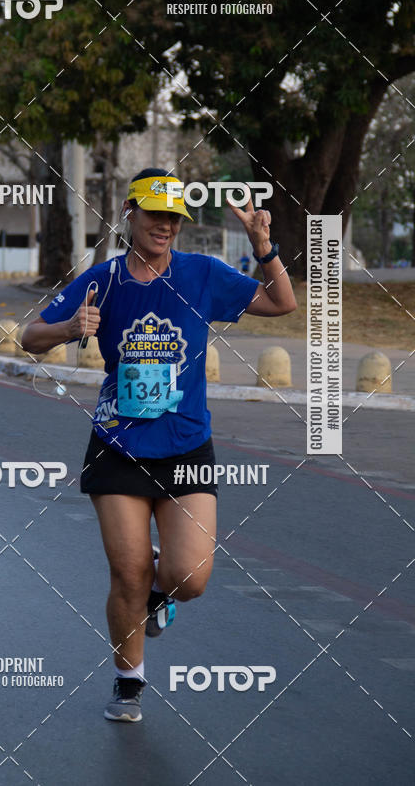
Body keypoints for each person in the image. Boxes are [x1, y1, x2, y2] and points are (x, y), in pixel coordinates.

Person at [21, 168, 296, 722]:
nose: (165, 226)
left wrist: (263, 246)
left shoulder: (202, 274)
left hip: (186, 447)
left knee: (190, 578)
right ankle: (129, 682)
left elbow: (281, 303)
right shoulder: (102, 280)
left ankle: (158, 591)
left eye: (174, 218)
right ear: (130, 214)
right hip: (118, 445)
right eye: (155, 215)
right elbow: (29, 337)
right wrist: (71, 327)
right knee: (127, 574)